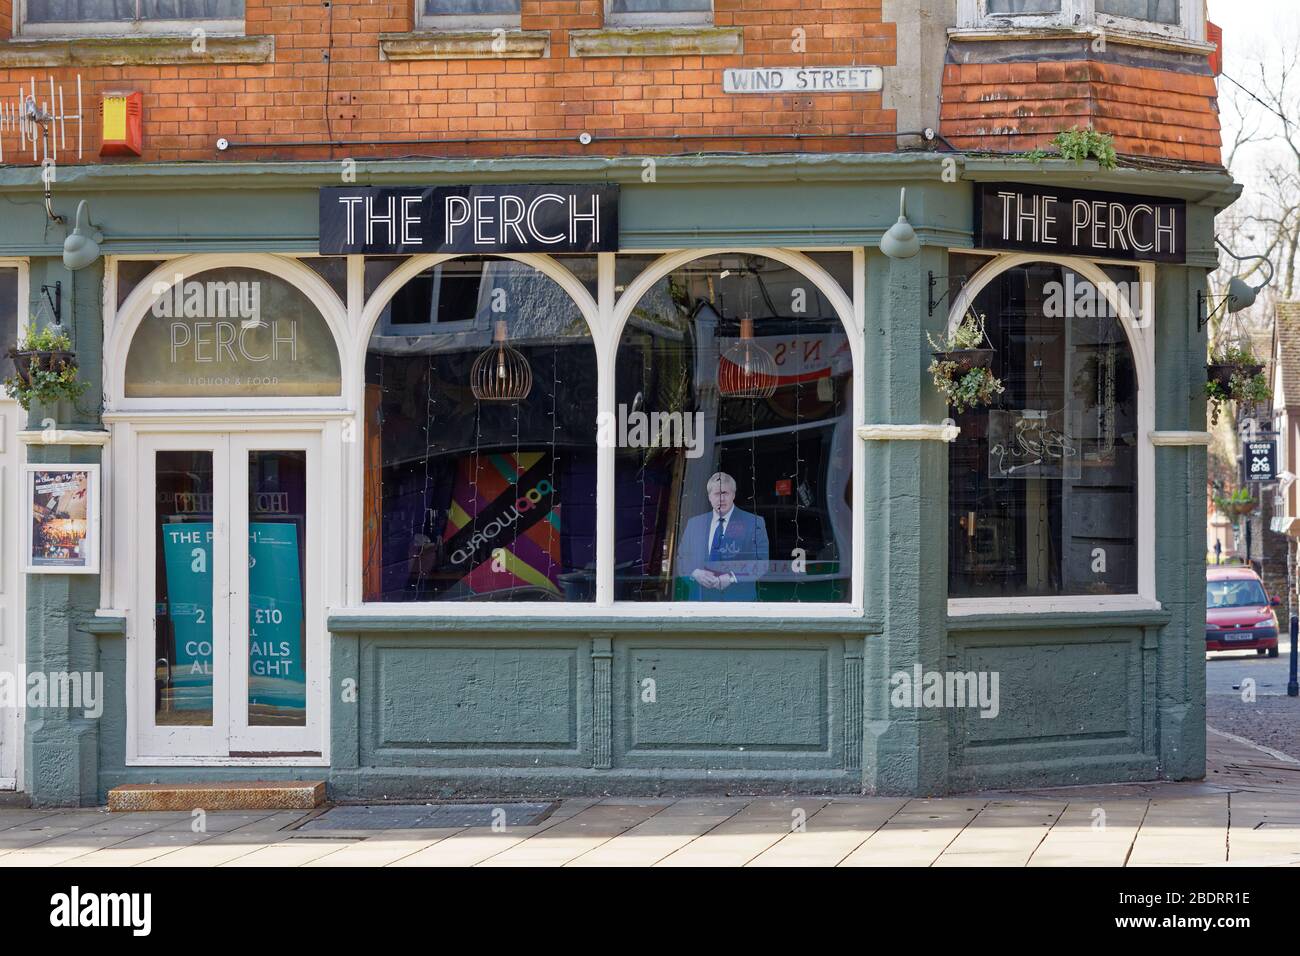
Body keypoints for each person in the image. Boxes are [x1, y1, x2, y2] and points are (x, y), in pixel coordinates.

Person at [675, 471, 769, 601]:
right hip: (699, 602)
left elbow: (761, 563)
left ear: (733, 495)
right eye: (717, 494)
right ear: (709, 497)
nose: (721, 499)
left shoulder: (754, 523)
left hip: (738, 603)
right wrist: (695, 573)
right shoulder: (694, 524)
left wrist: (732, 577)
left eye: (725, 493)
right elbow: (681, 559)